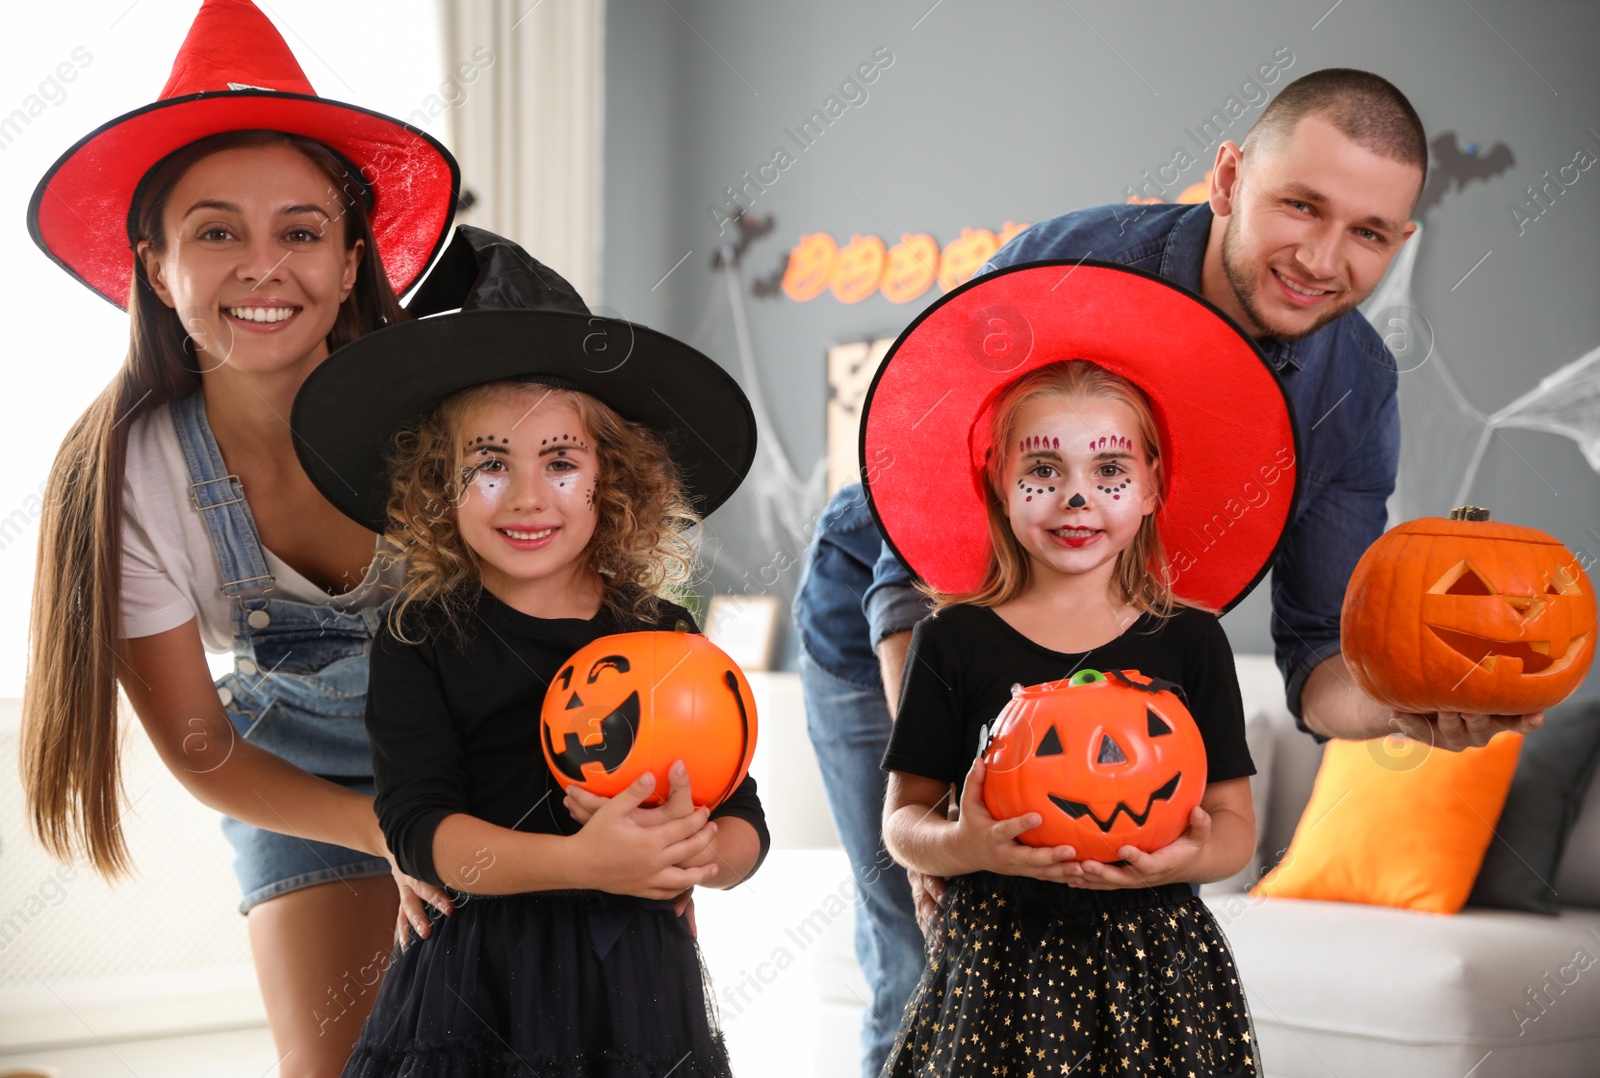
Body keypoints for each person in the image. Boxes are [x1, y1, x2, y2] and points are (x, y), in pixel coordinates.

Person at [871, 68, 1541, 777]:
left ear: (1399, 242)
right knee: (929, 874)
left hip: (1103, 672)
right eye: (1302, 206)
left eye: (1367, 233)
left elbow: (1317, 655)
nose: (1321, 260)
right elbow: (918, 575)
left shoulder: (1359, 388)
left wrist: (1401, 707)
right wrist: (937, 790)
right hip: (909, 638)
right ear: (1228, 179)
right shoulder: (1066, 269)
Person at [19, 1, 459, 1072]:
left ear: (351, 261)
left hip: (475, 744)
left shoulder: (448, 418)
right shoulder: (129, 475)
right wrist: (380, 833)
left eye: (300, 231)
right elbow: (203, 744)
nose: (264, 267)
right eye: (216, 231)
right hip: (292, 775)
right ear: (157, 269)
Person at [285, 226, 768, 1076]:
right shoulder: (420, 636)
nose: (528, 495)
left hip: (635, 983)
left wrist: (696, 856)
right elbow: (422, 833)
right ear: (440, 484)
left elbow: (743, 821)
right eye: (490, 464)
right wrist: (583, 861)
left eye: (560, 461)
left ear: (610, 480)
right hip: (478, 983)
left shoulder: (663, 637)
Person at [863, 261, 1290, 1075]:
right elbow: (903, 824)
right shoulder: (953, 640)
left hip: (1157, 967)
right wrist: (968, 845)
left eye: (1108, 471)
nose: (1076, 497)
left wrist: (1181, 862)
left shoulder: (1192, 641)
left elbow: (1235, 828)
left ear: (1153, 486)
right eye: (1043, 471)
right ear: (998, 482)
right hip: (998, 971)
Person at [792, 485, 929, 1078]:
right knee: (907, 919)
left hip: (960, 638)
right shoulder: (944, 469)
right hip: (856, 647)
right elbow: (901, 609)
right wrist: (922, 828)